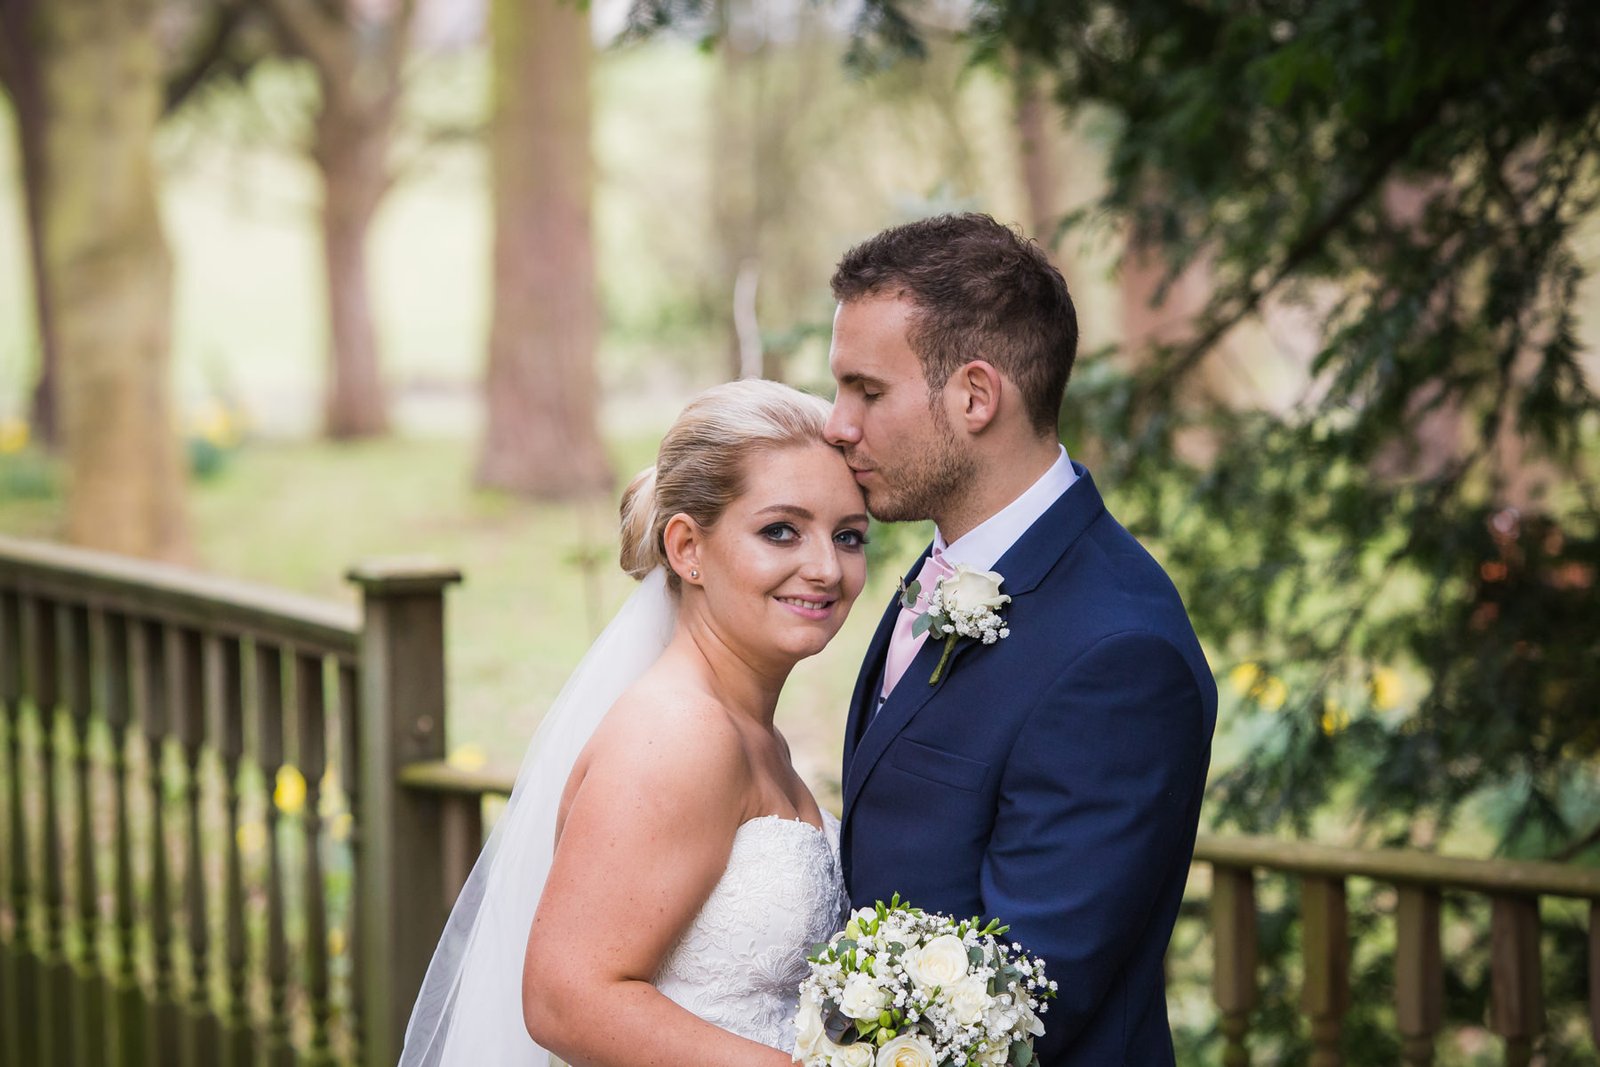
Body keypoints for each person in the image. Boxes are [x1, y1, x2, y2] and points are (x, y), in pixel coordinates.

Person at [826, 213, 1218, 1067]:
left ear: (975, 395)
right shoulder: (942, 566)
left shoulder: (1119, 654)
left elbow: (1020, 1003)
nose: (837, 425)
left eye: (867, 390)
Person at [399, 379, 866, 1066]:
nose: (826, 567)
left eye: (849, 535)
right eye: (781, 530)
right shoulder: (679, 733)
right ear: (687, 548)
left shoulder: (750, 730)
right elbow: (565, 997)